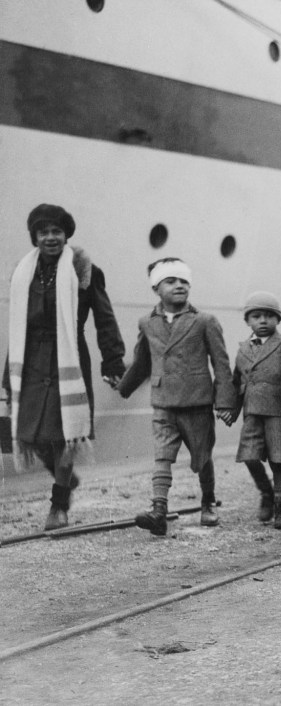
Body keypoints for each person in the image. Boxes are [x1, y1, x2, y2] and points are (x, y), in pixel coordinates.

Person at [2, 204, 125, 530]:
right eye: (44, 232)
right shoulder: (23, 273)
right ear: (35, 237)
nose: (51, 238)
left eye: (57, 231)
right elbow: (19, 327)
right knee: (31, 433)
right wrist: (7, 374)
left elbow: (104, 318)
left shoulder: (84, 270)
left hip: (67, 356)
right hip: (30, 359)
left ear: (66, 234)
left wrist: (113, 360)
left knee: (66, 436)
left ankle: (59, 505)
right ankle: (65, 479)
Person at [118, 258, 236, 536]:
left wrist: (225, 402)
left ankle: (208, 502)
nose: (179, 286)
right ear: (156, 288)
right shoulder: (147, 322)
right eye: (171, 281)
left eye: (184, 281)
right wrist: (124, 387)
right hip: (163, 402)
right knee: (162, 456)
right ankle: (159, 510)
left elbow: (221, 363)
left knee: (202, 458)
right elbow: (142, 361)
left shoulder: (204, 321)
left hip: (196, 401)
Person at [229, 291, 281, 529]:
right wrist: (231, 409)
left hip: (278, 411)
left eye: (269, 316)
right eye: (256, 316)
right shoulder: (243, 349)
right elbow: (237, 382)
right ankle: (266, 492)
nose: (263, 321)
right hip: (252, 413)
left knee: (278, 461)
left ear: (278, 319)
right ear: (247, 321)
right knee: (249, 456)